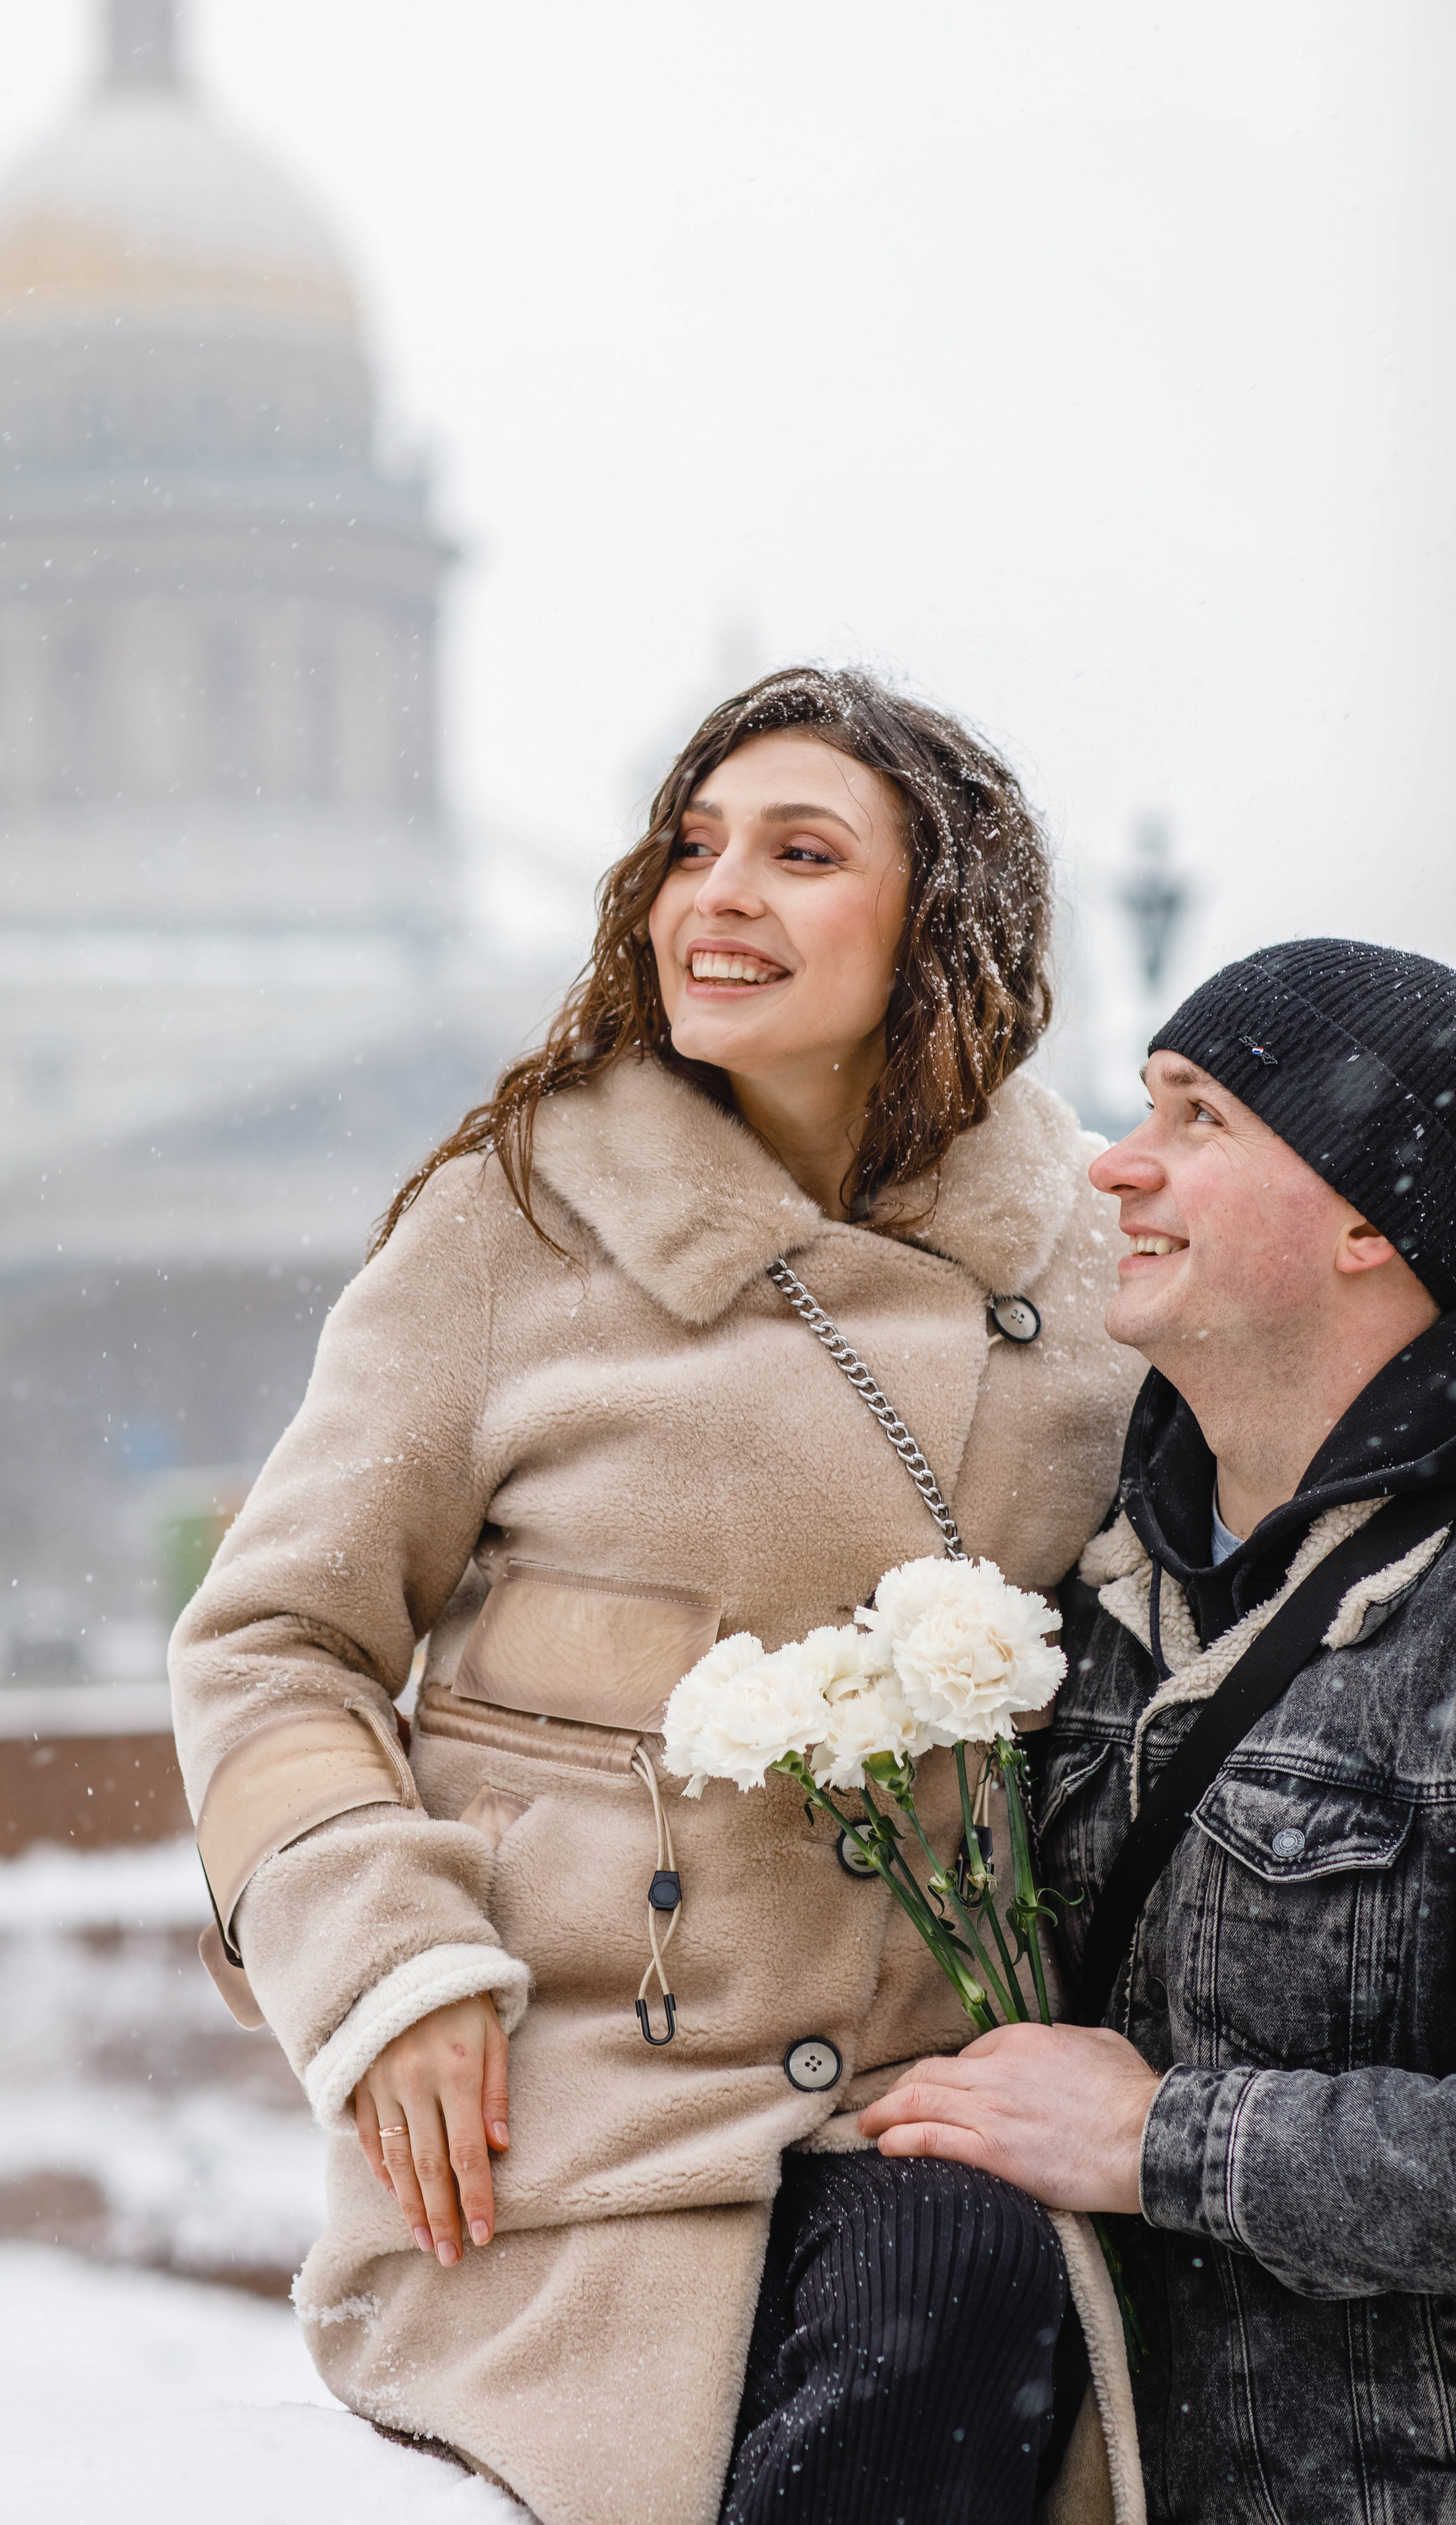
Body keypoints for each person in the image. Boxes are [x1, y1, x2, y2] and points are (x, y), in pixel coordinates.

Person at [170, 667, 1146, 2525]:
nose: (721, 897)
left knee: (955, 2269)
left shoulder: (1095, 1261)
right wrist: (390, 1972)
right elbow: (274, 1641)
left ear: (944, 918)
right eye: (693, 849)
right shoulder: (511, 1223)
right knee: (946, 2283)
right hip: (573, 2122)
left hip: (947, 2110)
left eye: (800, 854)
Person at [860, 936, 1456, 2522]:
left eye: (1197, 1119)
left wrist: (1162, 2140)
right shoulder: (1078, 1578)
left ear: (1364, 1213)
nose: (1117, 1169)